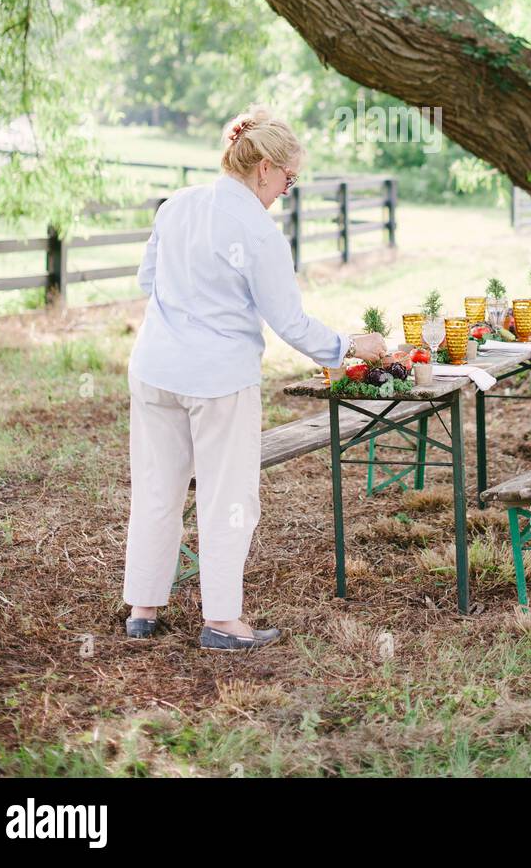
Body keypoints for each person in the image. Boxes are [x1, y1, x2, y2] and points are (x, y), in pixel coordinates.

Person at [122, 106, 387, 651]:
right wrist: (349, 345)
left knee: (157, 488)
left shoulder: (177, 205)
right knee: (228, 498)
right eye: (289, 179)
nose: (288, 190)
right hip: (218, 381)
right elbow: (289, 322)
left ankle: (143, 609)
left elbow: (149, 279)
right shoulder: (258, 233)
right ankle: (222, 621)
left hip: (155, 371)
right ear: (263, 167)